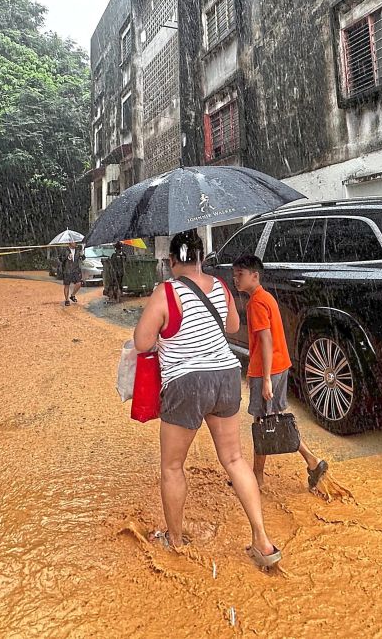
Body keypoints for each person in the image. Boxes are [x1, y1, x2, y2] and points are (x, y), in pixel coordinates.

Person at [133, 230, 281, 569]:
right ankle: (262, 540)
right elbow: (231, 327)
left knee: (172, 466)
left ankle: (175, 541)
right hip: (227, 376)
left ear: (172, 262)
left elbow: (142, 342)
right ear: (200, 258)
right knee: (234, 460)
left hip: (186, 383)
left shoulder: (165, 291)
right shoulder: (221, 286)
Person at [232, 254, 329, 491]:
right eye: (235, 275)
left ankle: (309, 462)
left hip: (268, 369)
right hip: (277, 365)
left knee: (267, 422)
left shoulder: (256, 303)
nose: (236, 279)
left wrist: (264, 379)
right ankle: (263, 474)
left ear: (255, 276)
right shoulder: (266, 297)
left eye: (240, 275)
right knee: (267, 420)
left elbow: (265, 340)